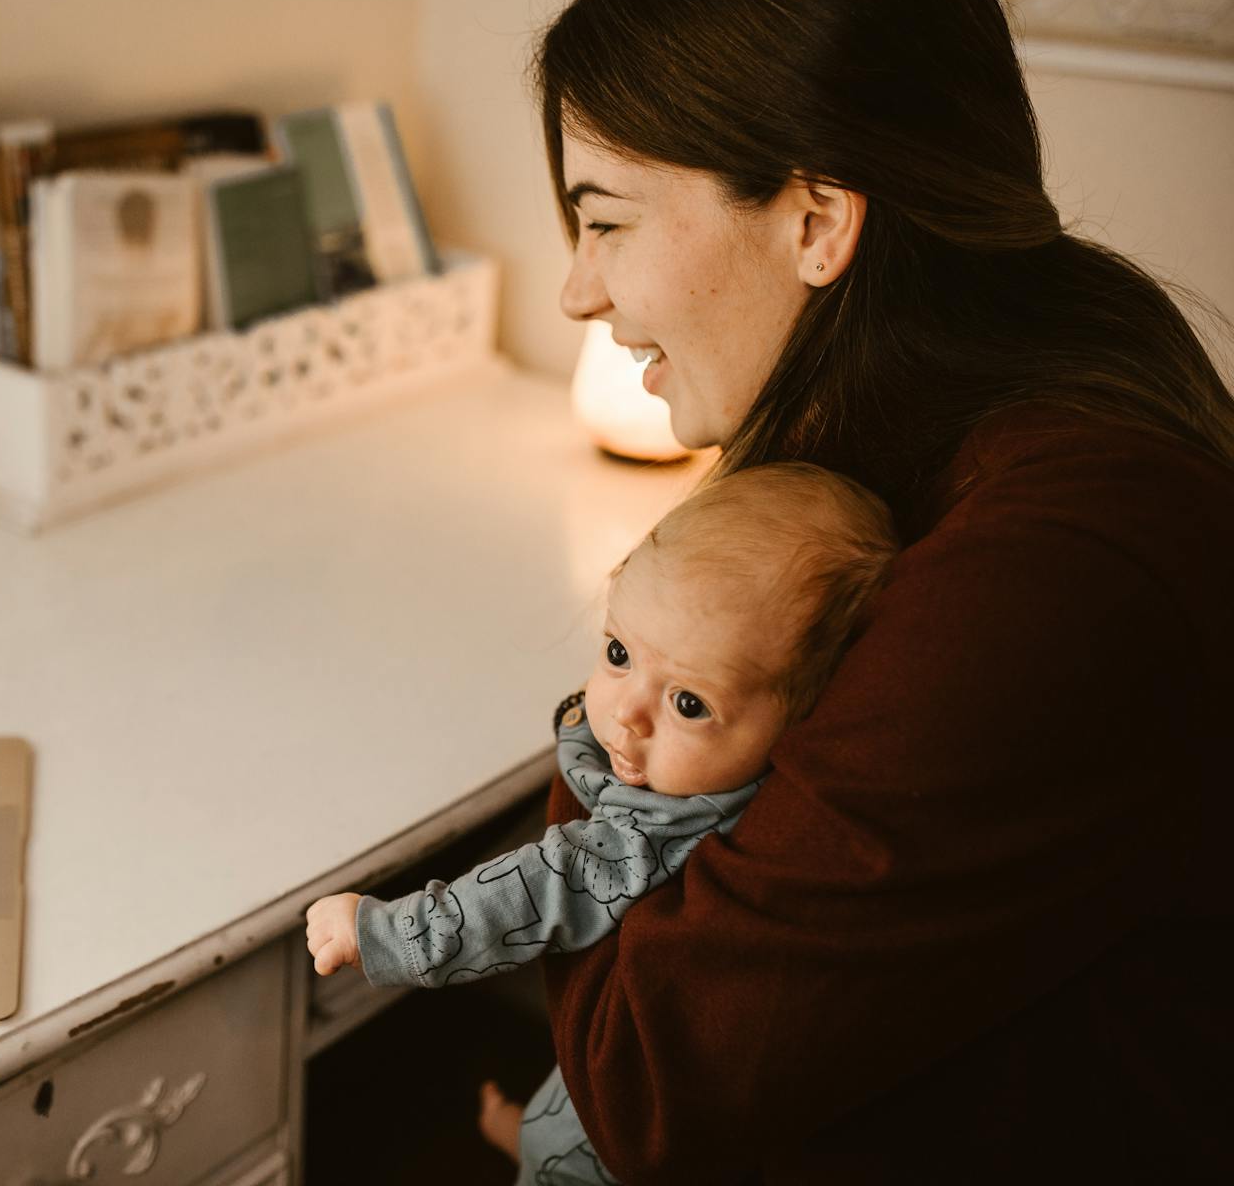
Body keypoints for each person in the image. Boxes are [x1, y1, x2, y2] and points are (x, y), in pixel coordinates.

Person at [508, 0, 1234, 1179]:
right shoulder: (952, 435)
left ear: (817, 220)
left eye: (608, 219)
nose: (579, 287)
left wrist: (627, 686)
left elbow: (643, 1078)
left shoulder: (1051, 565)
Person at [306, 462, 898, 1185]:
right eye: (619, 653)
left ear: (803, 720)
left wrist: (385, 933)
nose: (626, 712)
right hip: (617, 1076)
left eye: (689, 704)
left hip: (619, 1154)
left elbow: (529, 895)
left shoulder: (652, 833)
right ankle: (526, 1135)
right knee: (563, 1100)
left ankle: (535, 1158)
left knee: (570, 1146)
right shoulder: (714, 774)